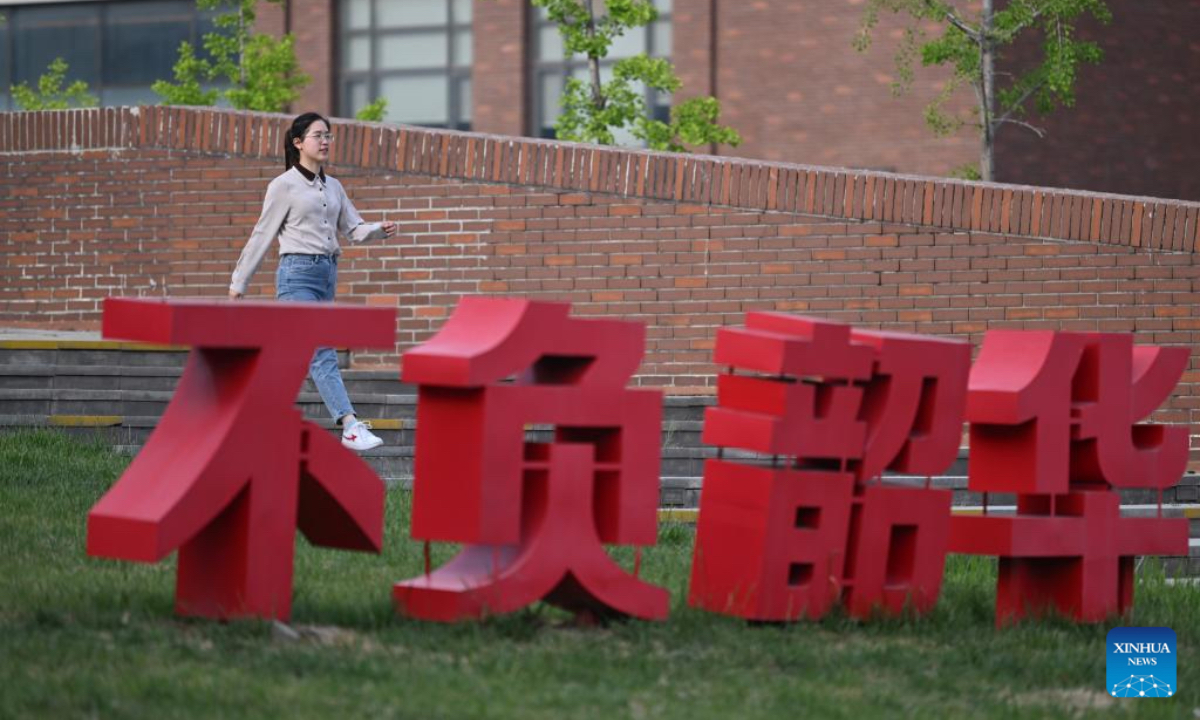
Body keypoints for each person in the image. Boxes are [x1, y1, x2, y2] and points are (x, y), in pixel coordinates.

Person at [228, 111, 397, 451]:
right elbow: (262, 235)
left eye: (328, 136)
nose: (325, 141)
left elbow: (353, 228)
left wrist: (378, 230)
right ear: (298, 142)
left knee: (295, 353)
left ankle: (245, 416)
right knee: (321, 350)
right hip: (297, 274)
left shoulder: (333, 187)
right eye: (318, 135)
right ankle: (349, 423)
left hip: (327, 275)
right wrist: (238, 285)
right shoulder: (283, 186)